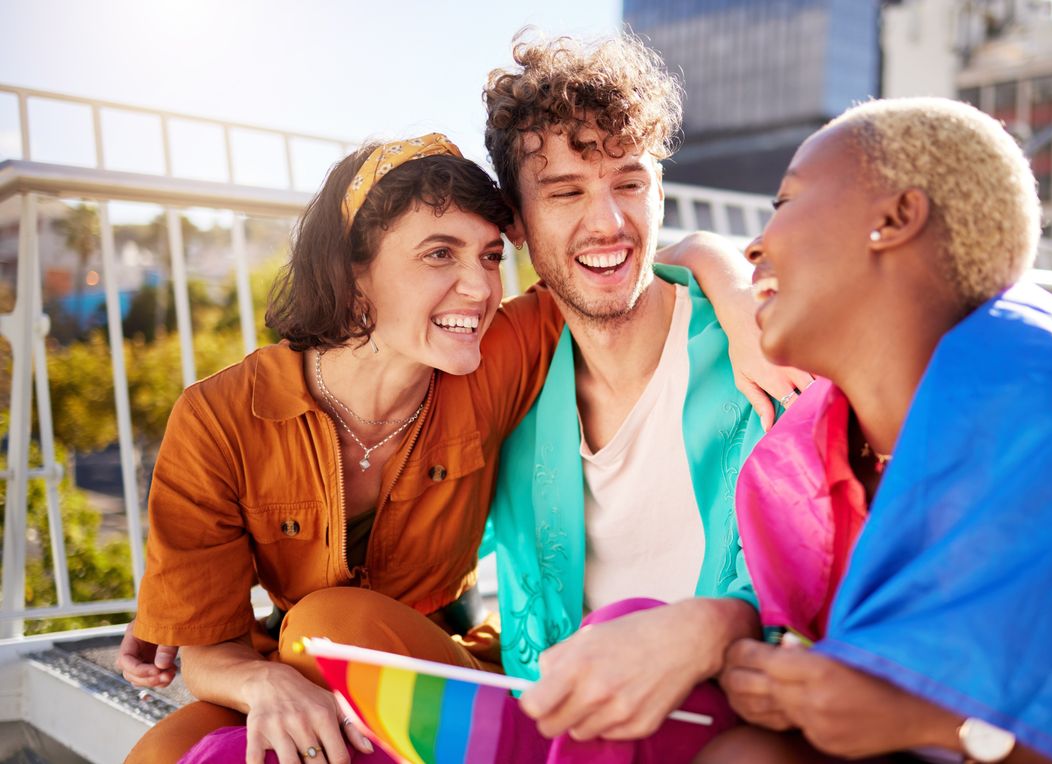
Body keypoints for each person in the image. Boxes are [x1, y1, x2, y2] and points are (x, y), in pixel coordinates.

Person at [704, 98, 1052, 763]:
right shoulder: (807, 457)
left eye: (784, 201)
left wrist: (931, 722)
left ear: (894, 218)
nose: (755, 243)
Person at [123, 134, 566, 764]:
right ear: (353, 270)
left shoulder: (500, 355)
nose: (481, 287)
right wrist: (262, 680)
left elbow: (625, 268)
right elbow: (206, 651)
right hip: (299, 662)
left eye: (491, 256)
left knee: (328, 625)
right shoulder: (218, 417)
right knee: (159, 756)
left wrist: (731, 285)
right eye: (440, 253)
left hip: (444, 662)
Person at [479, 32, 802, 760]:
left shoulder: (757, 345)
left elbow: (818, 582)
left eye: (629, 183)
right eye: (566, 193)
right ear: (517, 226)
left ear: (658, 189)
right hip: (562, 719)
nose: (609, 223)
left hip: (726, 713)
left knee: (620, 628)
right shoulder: (507, 380)